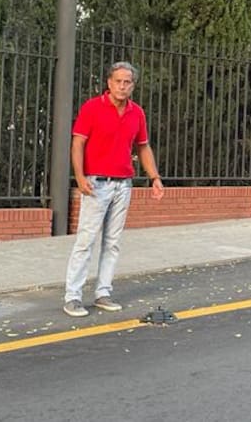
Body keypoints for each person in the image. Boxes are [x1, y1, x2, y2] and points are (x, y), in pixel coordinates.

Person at [63, 61, 164, 317]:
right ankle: (73, 296)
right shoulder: (92, 108)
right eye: (118, 81)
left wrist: (154, 177)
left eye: (127, 82)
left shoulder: (136, 113)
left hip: (123, 185)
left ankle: (103, 293)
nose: (122, 86)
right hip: (96, 184)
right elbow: (78, 144)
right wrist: (79, 176)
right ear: (109, 83)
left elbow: (143, 146)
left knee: (113, 242)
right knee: (86, 241)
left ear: (133, 85)